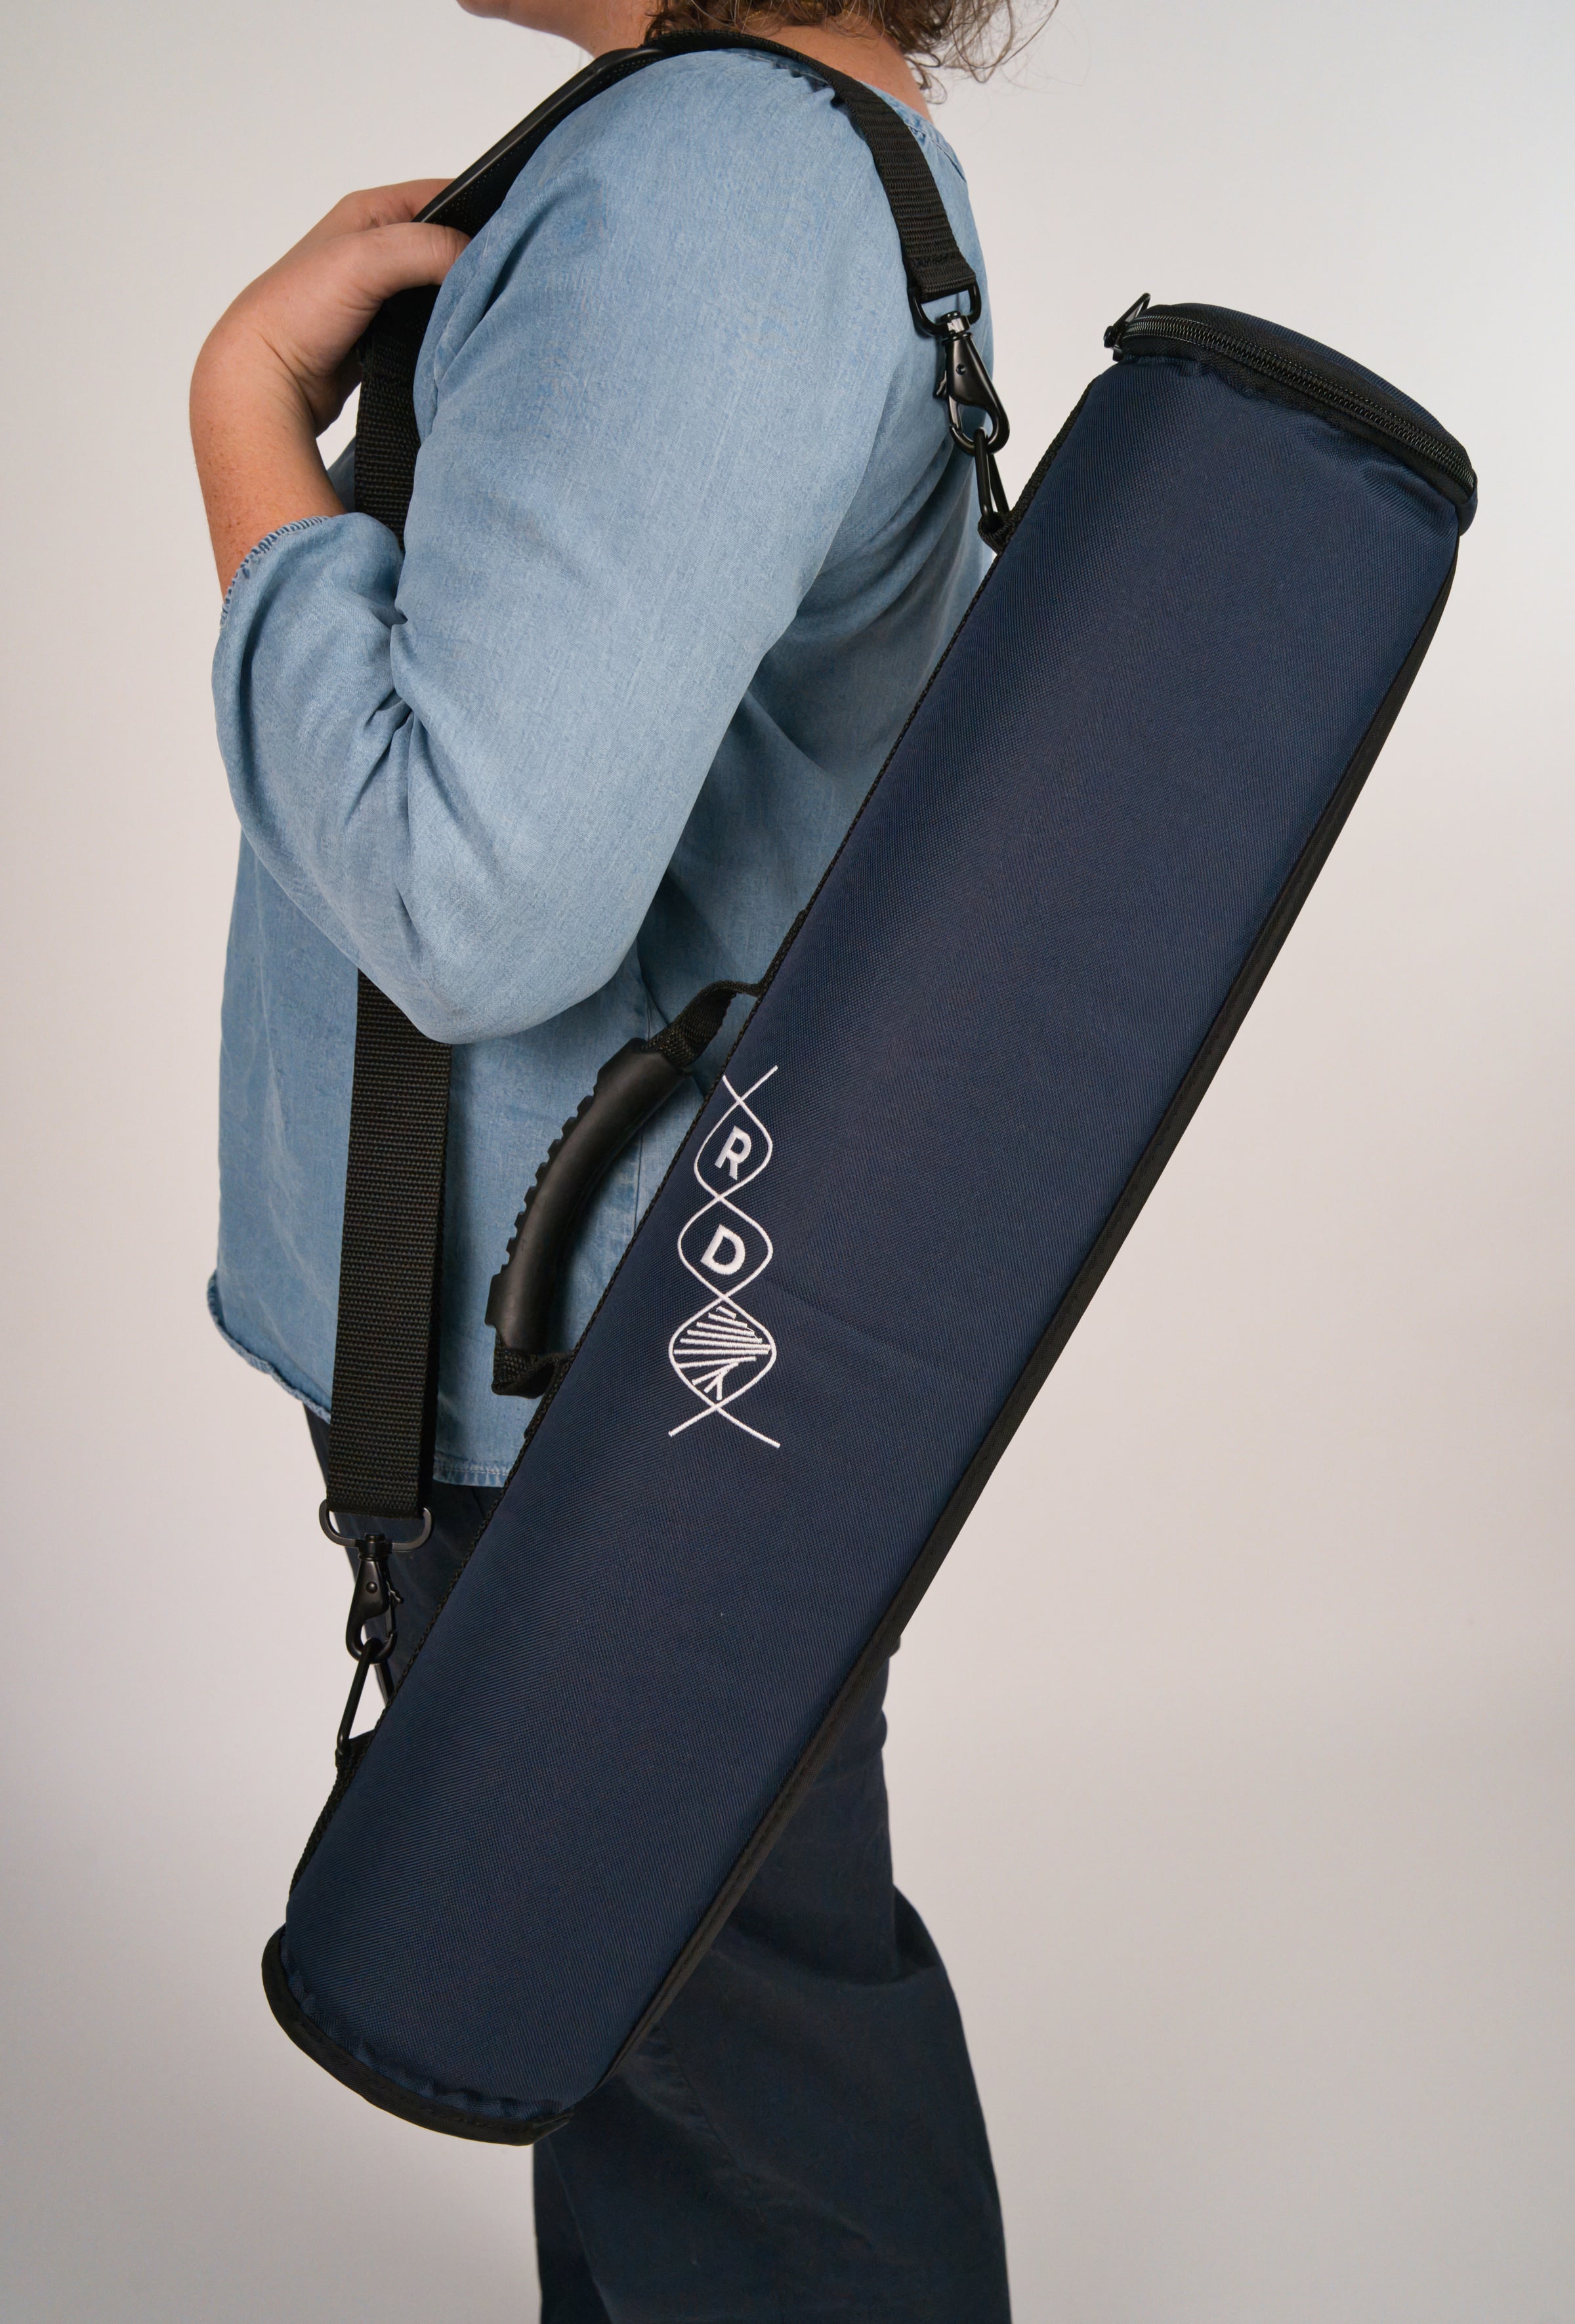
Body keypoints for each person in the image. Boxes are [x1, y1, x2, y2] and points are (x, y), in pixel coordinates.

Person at [191, 0, 1024, 2312]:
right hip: (666, 1350)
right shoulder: (783, 154)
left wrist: (245, 422)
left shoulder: (709, 187)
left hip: (611, 1401)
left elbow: (472, 894)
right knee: (714, 2112)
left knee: (758, 2170)